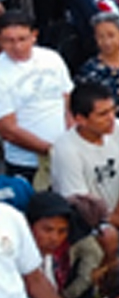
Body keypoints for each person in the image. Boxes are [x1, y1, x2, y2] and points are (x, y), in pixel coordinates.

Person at [50, 82, 119, 247]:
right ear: (80, 119)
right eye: (102, 114)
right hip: (95, 235)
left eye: (112, 110)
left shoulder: (118, 128)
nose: (111, 118)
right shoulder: (65, 150)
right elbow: (82, 208)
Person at [0, 11, 74, 184]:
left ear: (34, 36)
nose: (16, 47)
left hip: (65, 155)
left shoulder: (52, 58)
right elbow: (8, 130)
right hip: (25, 163)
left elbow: (67, 100)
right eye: (9, 41)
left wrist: (71, 141)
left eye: (22, 39)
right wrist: (50, 150)